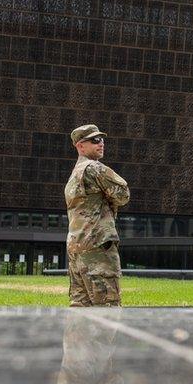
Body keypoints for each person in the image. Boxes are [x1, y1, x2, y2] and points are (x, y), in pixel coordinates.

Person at [64, 124, 130, 307]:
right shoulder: (94, 168)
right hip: (97, 248)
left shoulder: (74, 174)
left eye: (101, 139)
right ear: (80, 146)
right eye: (94, 140)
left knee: (79, 307)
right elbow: (123, 195)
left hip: (76, 249)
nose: (100, 143)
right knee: (107, 308)